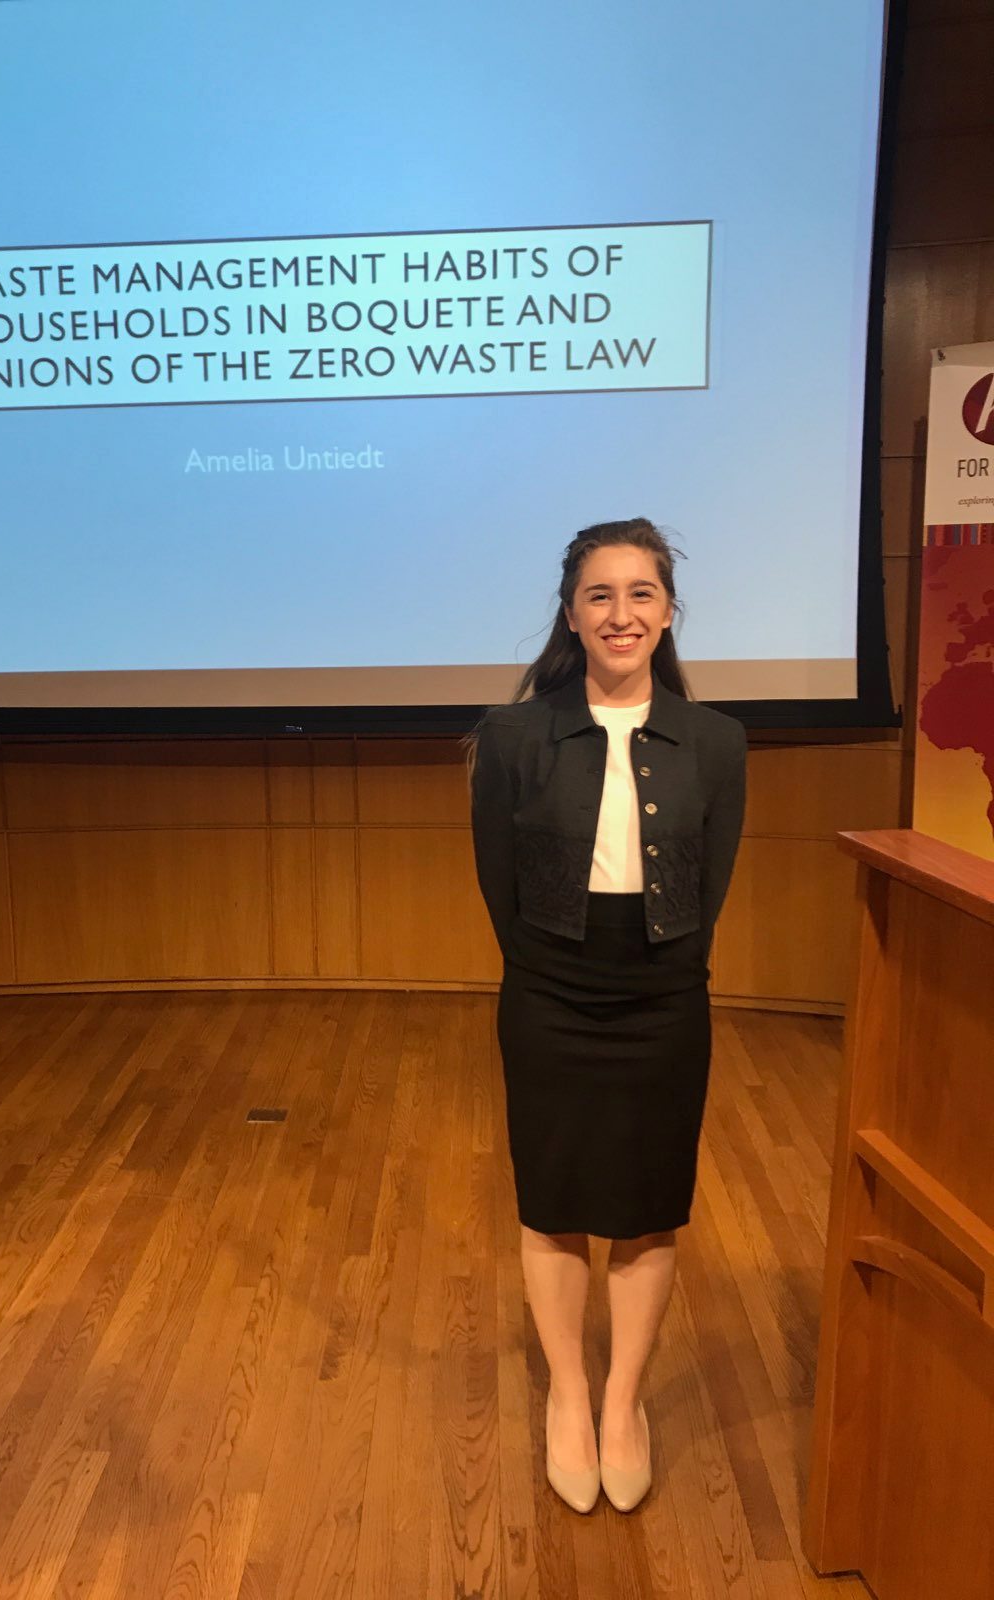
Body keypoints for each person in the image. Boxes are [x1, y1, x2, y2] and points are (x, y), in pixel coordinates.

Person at [468, 517, 747, 1515]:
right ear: (573, 614)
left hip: (665, 994)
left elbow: (711, 884)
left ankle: (622, 1403)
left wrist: (662, 966)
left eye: (640, 593)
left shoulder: (716, 740)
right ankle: (569, 1396)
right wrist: (546, 964)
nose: (620, 612)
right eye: (600, 594)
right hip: (548, 989)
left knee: (647, 1203)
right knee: (552, 1198)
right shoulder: (512, 736)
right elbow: (497, 881)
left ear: (667, 611)